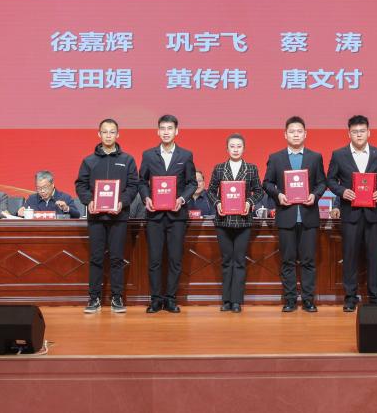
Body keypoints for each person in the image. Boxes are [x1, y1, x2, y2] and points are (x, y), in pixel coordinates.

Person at [75, 118, 140, 314]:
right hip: (96, 217)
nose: (109, 135)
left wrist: (122, 202)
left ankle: (117, 297)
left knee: (117, 258)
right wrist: (89, 201)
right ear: (99, 134)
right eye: (105, 132)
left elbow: (133, 186)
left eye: (112, 132)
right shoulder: (89, 161)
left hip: (118, 217)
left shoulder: (127, 160)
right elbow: (81, 185)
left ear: (118, 134)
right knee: (96, 258)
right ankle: (94, 298)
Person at [263, 116, 327, 313]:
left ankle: (308, 300)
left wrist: (314, 195)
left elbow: (322, 183)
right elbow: (267, 183)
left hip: (308, 216)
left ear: (305, 134)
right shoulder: (276, 157)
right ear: (285, 134)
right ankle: (290, 299)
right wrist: (278, 195)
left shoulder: (315, 157)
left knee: (308, 261)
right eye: (292, 131)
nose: (296, 135)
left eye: (299, 131)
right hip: (286, 216)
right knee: (288, 261)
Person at [326, 114, 377, 312]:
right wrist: (342, 191)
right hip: (350, 213)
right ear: (349, 133)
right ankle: (350, 297)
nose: (359, 135)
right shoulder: (339, 155)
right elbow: (330, 180)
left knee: (374, 257)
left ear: (369, 132)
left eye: (362, 131)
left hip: (373, 214)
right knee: (350, 256)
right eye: (355, 131)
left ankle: (375, 297)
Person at [138, 114, 198, 313]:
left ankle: (171, 299)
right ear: (158, 131)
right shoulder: (148, 155)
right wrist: (146, 197)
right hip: (154, 215)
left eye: (170, 128)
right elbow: (141, 181)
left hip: (176, 216)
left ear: (176, 131)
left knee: (175, 259)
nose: (166, 132)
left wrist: (182, 199)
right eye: (163, 128)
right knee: (154, 259)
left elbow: (192, 183)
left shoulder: (185, 155)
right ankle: (156, 300)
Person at [206, 134, 264, 313]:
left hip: (243, 221)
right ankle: (226, 300)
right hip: (223, 221)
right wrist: (217, 203)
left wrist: (249, 202)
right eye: (232, 146)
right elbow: (210, 191)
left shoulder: (251, 168)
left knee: (239, 261)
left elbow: (259, 191)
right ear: (227, 149)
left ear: (244, 148)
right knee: (226, 260)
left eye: (239, 146)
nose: (236, 149)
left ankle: (237, 301)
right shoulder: (219, 168)